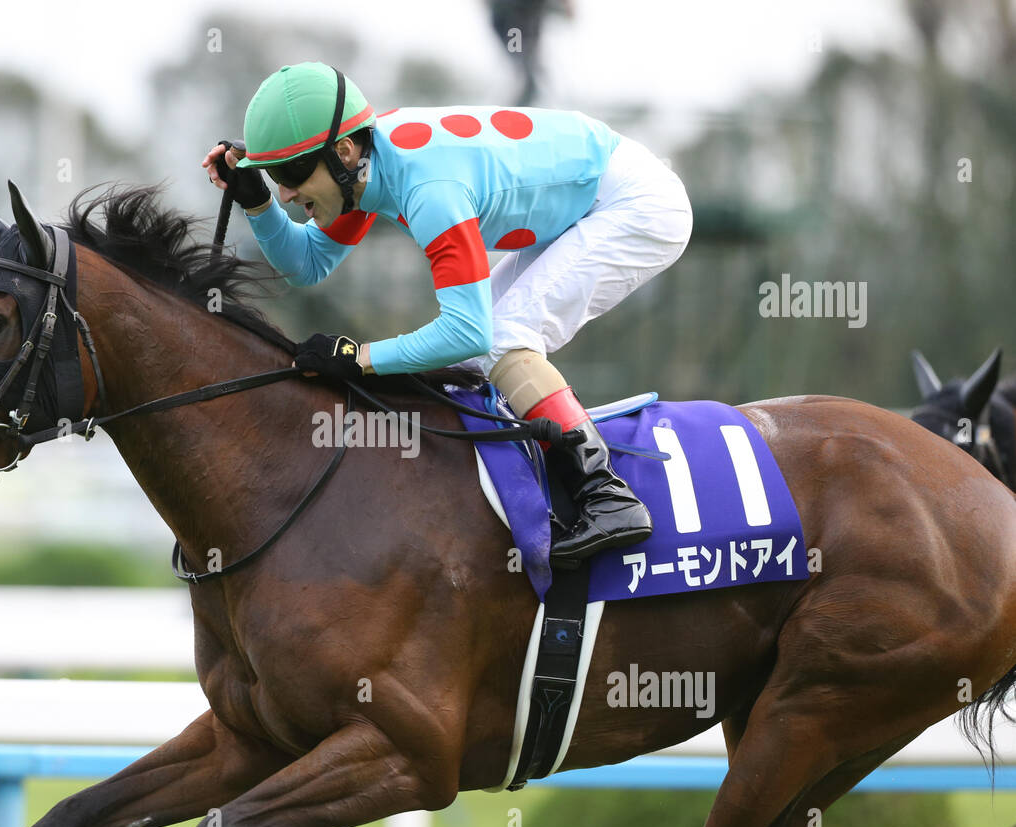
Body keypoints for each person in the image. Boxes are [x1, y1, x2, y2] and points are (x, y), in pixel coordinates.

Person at [202, 61, 692, 563]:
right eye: (273, 175)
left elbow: (468, 331)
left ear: (344, 150)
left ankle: (606, 495)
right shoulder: (363, 165)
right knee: (486, 357)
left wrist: (358, 357)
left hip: (636, 203)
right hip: (580, 203)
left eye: (290, 173)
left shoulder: (426, 187)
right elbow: (306, 264)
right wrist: (257, 204)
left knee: (501, 338)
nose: (286, 191)